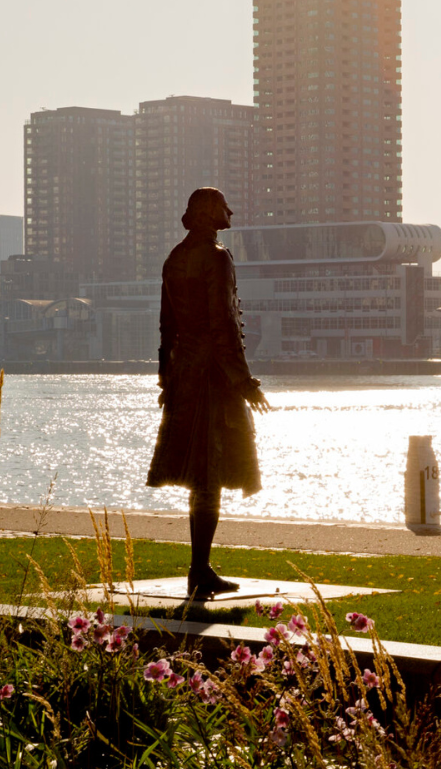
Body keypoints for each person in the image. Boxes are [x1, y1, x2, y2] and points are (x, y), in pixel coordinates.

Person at [147, 187, 269, 601]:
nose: (229, 211)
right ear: (207, 213)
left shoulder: (174, 258)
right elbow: (223, 326)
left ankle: (200, 567)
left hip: (185, 371)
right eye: (222, 206)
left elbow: (167, 328)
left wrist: (167, 378)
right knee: (210, 474)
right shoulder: (217, 257)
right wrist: (243, 381)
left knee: (203, 475)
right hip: (212, 377)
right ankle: (199, 569)